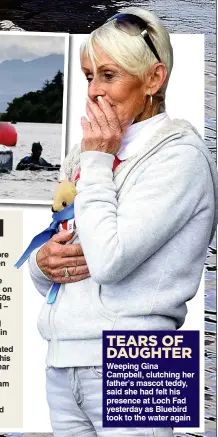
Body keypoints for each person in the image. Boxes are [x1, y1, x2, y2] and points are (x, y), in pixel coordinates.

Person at [28, 6, 218, 437]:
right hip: (63, 361)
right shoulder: (85, 153)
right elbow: (63, 275)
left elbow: (110, 262)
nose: (93, 92)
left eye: (108, 75)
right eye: (87, 76)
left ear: (154, 79)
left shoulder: (182, 157)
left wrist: (96, 160)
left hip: (144, 357)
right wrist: (43, 262)